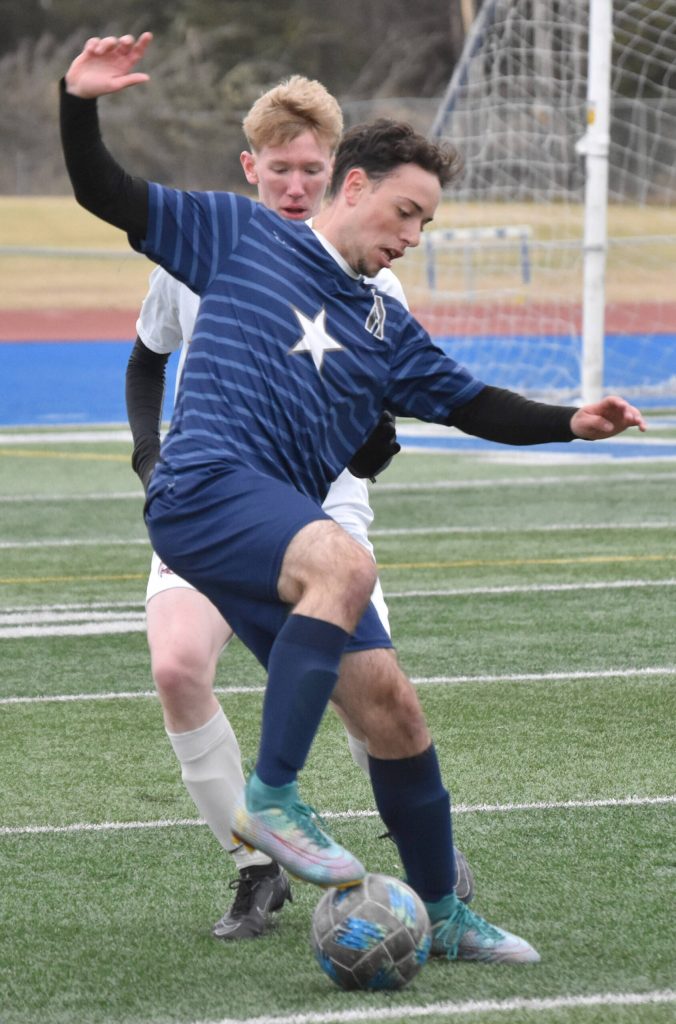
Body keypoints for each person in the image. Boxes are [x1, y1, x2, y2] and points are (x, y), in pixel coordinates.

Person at [60, 32, 646, 964]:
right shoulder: (238, 233)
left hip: (275, 531)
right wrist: (79, 101)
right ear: (357, 185)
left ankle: (447, 914)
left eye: (425, 226)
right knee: (342, 558)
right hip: (204, 492)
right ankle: (274, 803)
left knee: (392, 710)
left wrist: (571, 421)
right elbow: (105, 192)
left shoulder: (385, 323)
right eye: (406, 214)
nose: (411, 237)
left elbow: (471, 403)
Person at [125, 72, 474, 941]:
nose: (294, 186)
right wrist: (149, 458)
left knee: (372, 695)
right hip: (214, 495)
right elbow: (145, 359)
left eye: (311, 171)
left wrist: (373, 444)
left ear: (341, 176)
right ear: (251, 168)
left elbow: (380, 417)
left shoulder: (375, 282)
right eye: (280, 169)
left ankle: (428, 868)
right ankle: (255, 866)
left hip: (324, 512)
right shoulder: (208, 247)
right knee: (176, 667)